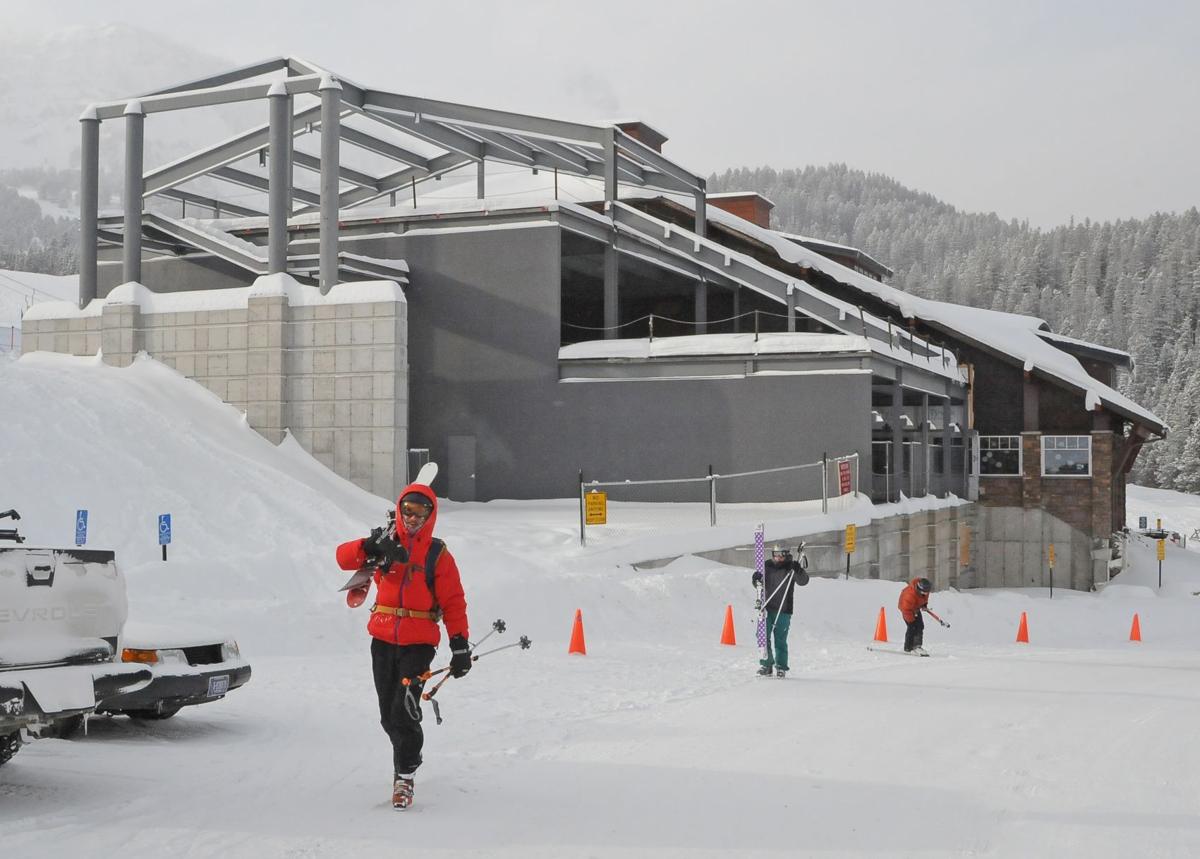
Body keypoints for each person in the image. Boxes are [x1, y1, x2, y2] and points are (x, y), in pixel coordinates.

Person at [336, 482, 471, 810]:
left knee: (404, 709)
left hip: (419, 644)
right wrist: (370, 544)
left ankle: (404, 775)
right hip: (382, 640)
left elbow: (453, 602)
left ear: (430, 515)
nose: (412, 518)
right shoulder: (385, 542)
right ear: (400, 510)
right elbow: (342, 557)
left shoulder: (438, 554)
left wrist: (459, 645)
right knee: (387, 714)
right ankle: (407, 752)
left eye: (420, 512)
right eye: (407, 510)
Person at [751, 544, 809, 677]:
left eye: (780, 554)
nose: (777, 557)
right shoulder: (767, 565)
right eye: (775, 554)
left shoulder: (791, 567)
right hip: (767, 607)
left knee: (780, 639)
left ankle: (781, 666)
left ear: (786, 554)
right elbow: (758, 584)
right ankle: (766, 664)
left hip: (783, 609)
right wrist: (756, 580)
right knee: (762, 636)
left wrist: (799, 570)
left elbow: (803, 581)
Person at [898, 577, 933, 655]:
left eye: (927, 592)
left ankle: (917, 646)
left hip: (915, 607)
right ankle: (908, 647)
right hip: (907, 610)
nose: (926, 594)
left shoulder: (925, 590)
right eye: (924, 592)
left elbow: (924, 598)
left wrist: (924, 604)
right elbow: (906, 609)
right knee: (912, 627)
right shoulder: (909, 595)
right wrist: (911, 621)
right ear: (919, 589)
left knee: (920, 626)